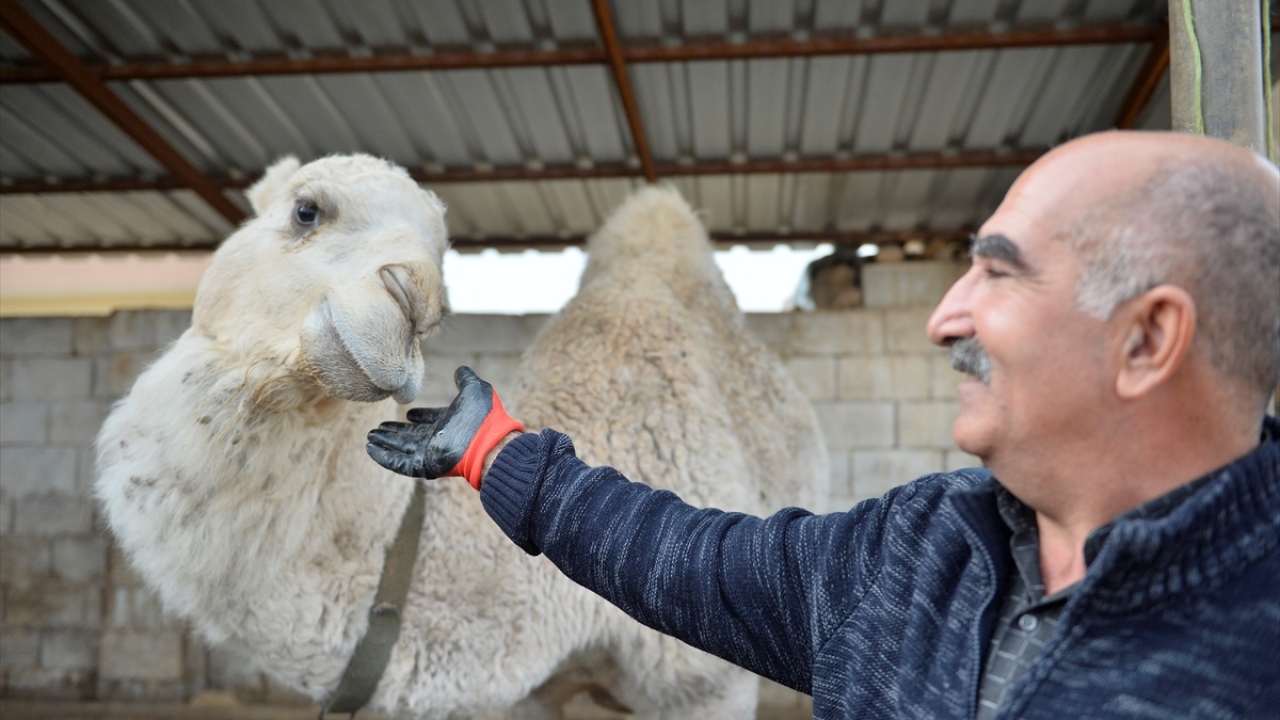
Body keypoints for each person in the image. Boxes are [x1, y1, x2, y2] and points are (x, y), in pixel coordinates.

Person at [367, 131, 1280, 719]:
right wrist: (492, 451)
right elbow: (690, 559)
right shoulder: (921, 550)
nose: (944, 317)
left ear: (1148, 338)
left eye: (999, 275)